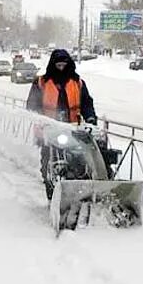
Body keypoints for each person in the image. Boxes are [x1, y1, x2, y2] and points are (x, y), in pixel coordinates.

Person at [26, 49, 97, 200]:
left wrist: (90, 119)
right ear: (52, 65)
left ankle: (81, 191)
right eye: (58, 65)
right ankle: (51, 193)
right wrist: (40, 119)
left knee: (80, 161)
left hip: (73, 130)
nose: (61, 68)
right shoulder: (41, 83)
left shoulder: (77, 83)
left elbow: (87, 103)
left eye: (64, 65)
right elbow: (32, 104)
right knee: (48, 162)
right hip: (49, 131)